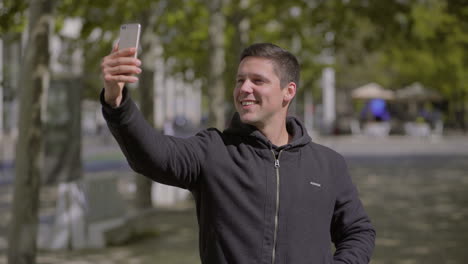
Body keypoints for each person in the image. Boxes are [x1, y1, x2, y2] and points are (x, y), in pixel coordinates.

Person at [100, 42, 376, 263]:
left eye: (258, 80)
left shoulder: (328, 164)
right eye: (240, 80)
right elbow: (151, 154)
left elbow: (358, 232)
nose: (244, 88)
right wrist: (116, 101)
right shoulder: (212, 151)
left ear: (288, 92)